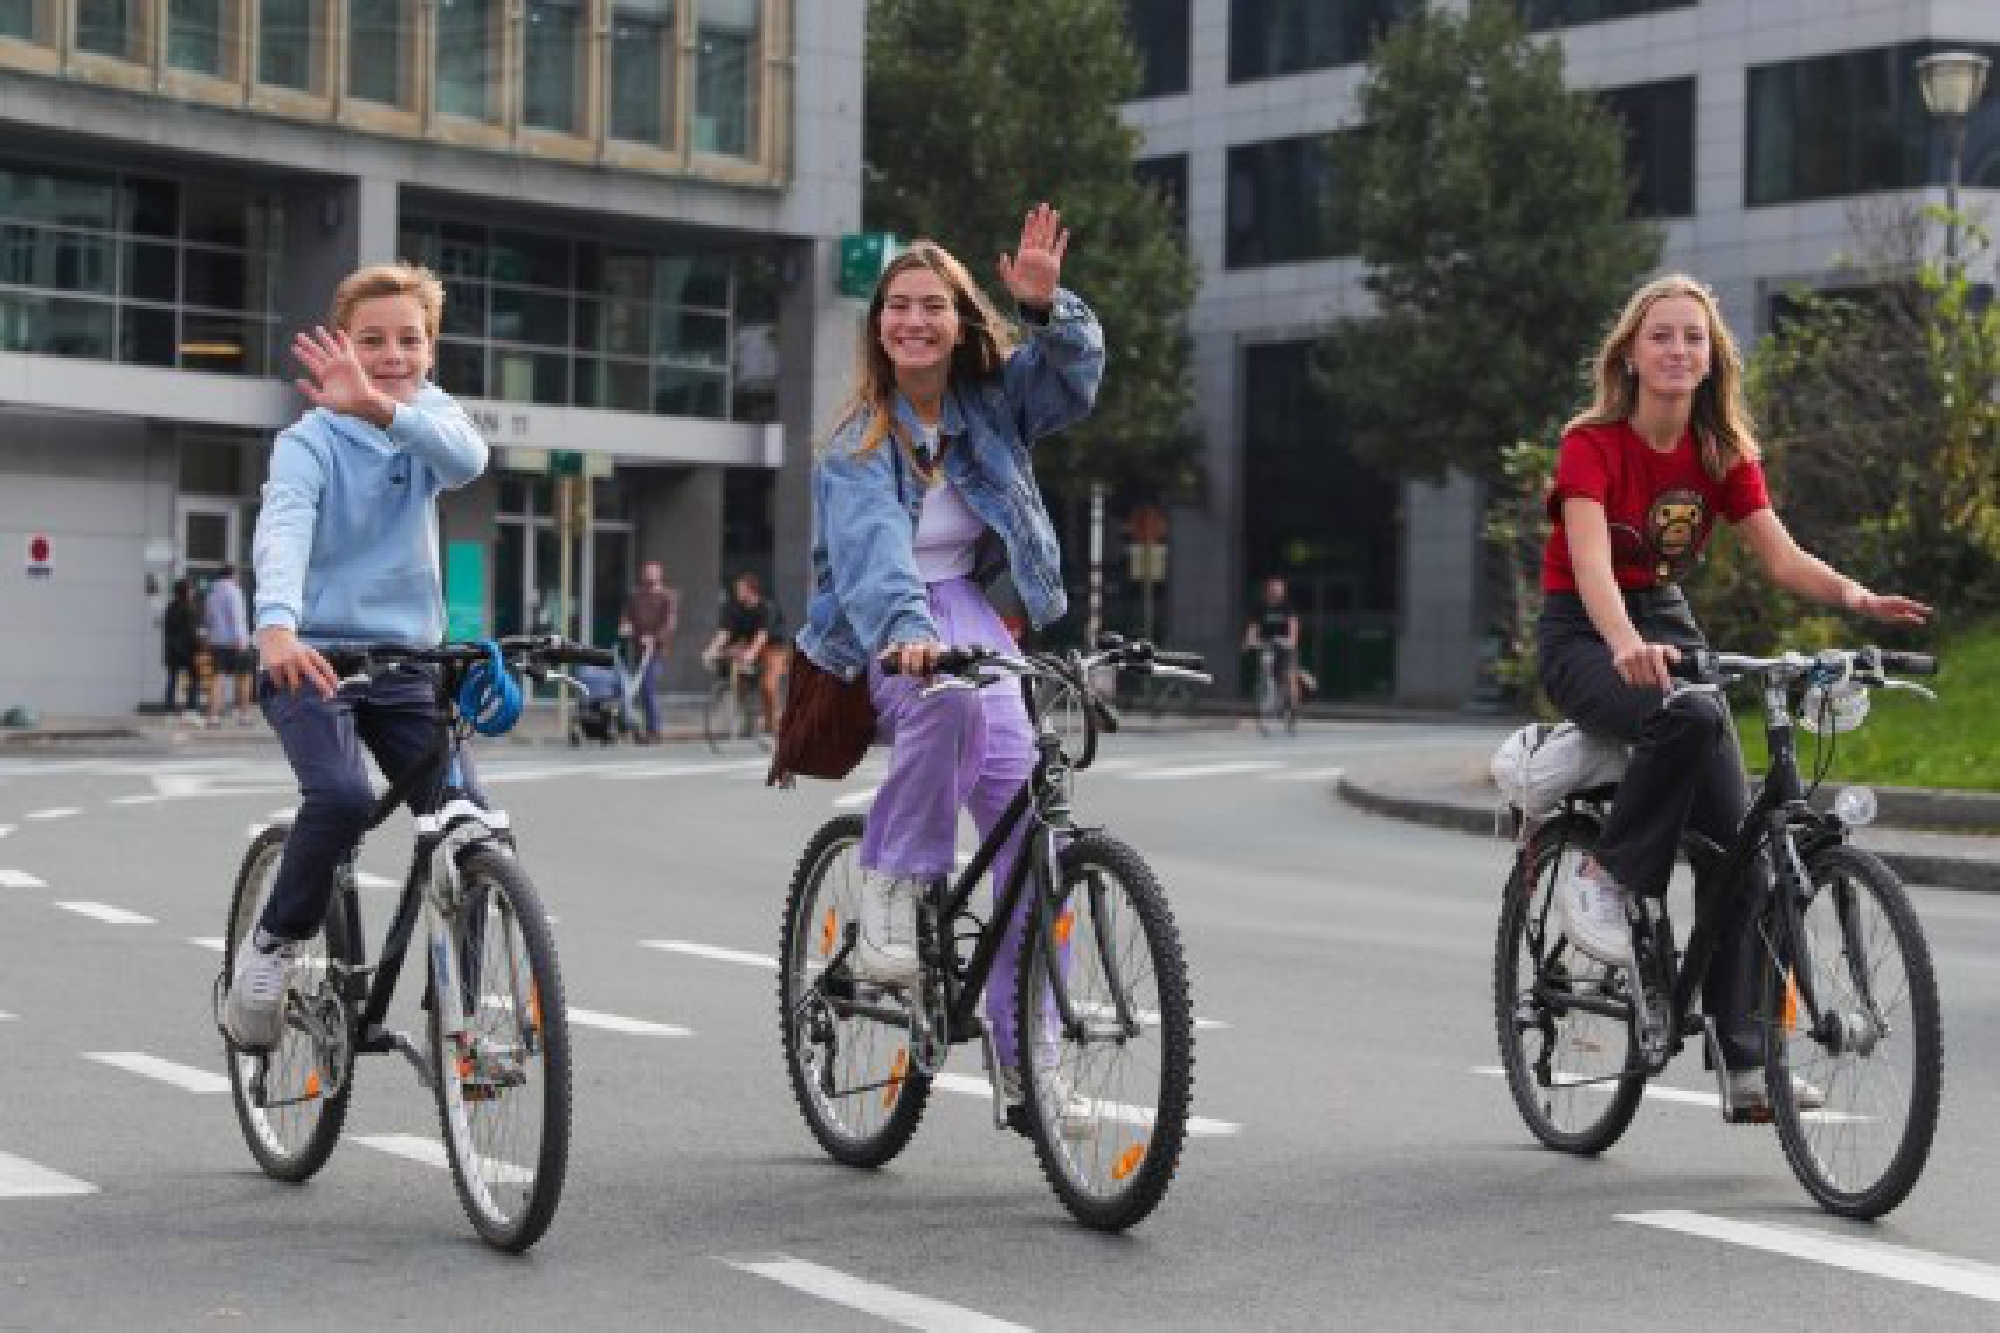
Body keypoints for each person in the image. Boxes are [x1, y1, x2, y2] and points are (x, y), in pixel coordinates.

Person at [1538, 272, 1929, 1113]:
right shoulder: (1592, 444)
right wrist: (1625, 646)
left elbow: (1782, 559)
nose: (1679, 349)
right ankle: (1606, 876)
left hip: (1664, 619)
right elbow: (1594, 566)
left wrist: (1859, 599)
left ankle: (1746, 1062)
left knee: (1742, 854)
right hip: (1582, 629)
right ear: (1632, 355)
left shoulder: (1720, 450)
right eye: (1662, 336)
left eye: (1694, 337)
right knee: (1689, 708)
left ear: (1713, 357)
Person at [793, 203, 1102, 1112]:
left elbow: (1074, 385)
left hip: (973, 612)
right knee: (946, 704)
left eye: (932, 306)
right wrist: (906, 638)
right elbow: (874, 554)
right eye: (898, 307)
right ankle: (891, 883)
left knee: (1034, 837)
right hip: (879, 621)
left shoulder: (995, 402)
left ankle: (1029, 1061)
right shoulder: (857, 444)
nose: (914, 321)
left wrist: (1051, 312)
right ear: (878, 327)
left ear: (961, 320)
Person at [222, 261, 490, 1051]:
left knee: (469, 827)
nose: (393, 354)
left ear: (432, 352)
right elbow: (285, 528)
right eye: (372, 341)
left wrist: (381, 409)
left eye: (410, 340)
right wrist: (276, 626)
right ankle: (271, 947)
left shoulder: (430, 421)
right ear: (343, 345)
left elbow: (469, 461)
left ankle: (464, 1020)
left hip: (409, 662)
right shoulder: (308, 443)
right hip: (312, 657)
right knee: (339, 799)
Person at [703, 572, 785, 737]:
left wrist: (750, 653)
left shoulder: (767, 608)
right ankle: (747, 716)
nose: (737, 592)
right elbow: (724, 633)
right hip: (746, 645)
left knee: (768, 686)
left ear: (751, 591)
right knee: (737, 681)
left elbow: (762, 635)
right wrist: (711, 650)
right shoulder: (735, 609)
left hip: (773, 648)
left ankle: (773, 725)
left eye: (740, 589)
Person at [620, 560, 678, 743]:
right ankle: (639, 727)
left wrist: (655, 638)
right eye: (647, 572)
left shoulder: (667, 597)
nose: (650, 576)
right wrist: (625, 625)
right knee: (633, 689)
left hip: (656, 651)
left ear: (660, 575)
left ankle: (654, 730)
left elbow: (670, 623)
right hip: (637, 648)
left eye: (654, 572)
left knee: (647, 686)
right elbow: (626, 615)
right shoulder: (636, 596)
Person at [203, 564, 255, 727]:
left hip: (217, 641)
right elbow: (237, 616)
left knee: (217, 679)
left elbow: (208, 619)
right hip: (235, 642)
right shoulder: (233, 591)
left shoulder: (211, 594)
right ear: (232, 575)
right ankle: (244, 715)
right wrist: (241, 639)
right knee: (244, 678)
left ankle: (213, 717)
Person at [1242, 576, 1300, 713]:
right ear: (1268, 590)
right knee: (1266, 667)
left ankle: (1293, 707)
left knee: (1289, 676)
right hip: (1268, 643)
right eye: (1274, 589)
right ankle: (1268, 694)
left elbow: (1293, 625)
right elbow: (1253, 626)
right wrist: (1248, 641)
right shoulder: (1260, 607)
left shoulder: (1288, 607)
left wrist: (1291, 641)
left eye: (1279, 589)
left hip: (1284, 644)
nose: (1276, 592)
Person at [162, 576, 202, 718]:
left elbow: (167, 629)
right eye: (191, 589)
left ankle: (169, 708)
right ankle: (191, 708)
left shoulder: (170, 607)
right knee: (194, 678)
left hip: (172, 649)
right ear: (186, 591)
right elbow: (192, 631)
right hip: (187, 650)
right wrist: (199, 646)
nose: (193, 592)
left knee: (172, 678)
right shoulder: (190, 608)